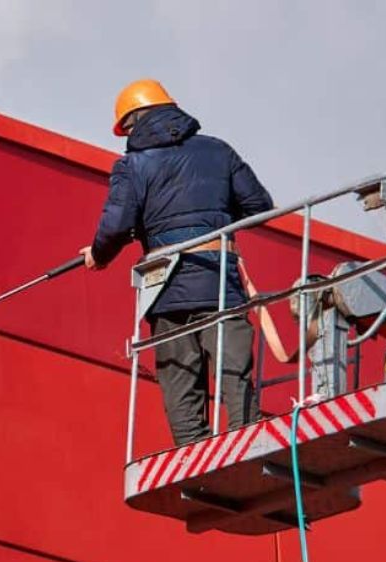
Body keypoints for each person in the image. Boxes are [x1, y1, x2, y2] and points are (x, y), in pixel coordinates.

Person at [79, 79, 274, 446]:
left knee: (179, 376)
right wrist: (210, 215)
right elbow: (259, 207)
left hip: (165, 289)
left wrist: (99, 255)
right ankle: (245, 441)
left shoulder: (132, 166)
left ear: (133, 121)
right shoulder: (219, 152)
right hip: (219, 281)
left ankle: (191, 454)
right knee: (234, 369)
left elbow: (116, 224)